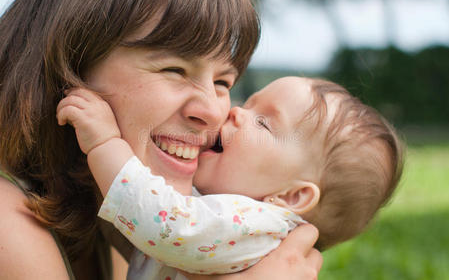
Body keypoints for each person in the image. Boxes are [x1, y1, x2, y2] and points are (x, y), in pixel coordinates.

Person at [0, 0, 322, 279]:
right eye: (175, 69)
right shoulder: (9, 225)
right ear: (71, 64)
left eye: (223, 82)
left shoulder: (106, 226)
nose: (214, 112)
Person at [57, 76, 403, 279]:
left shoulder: (257, 225)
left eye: (264, 123)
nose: (237, 112)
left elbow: (165, 224)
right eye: (250, 103)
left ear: (292, 197)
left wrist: (105, 143)